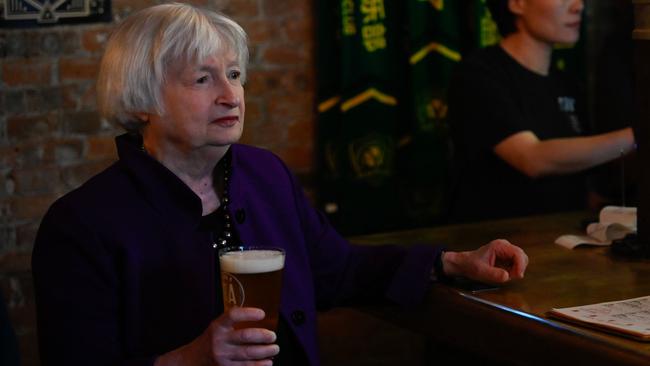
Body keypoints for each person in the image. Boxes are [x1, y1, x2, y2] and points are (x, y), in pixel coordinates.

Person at [31, 3, 529, 366]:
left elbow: (337, 269)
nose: (231, 95)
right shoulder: (82, 224)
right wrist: (191, 359)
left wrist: (451, 262)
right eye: (202, 80)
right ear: (141, 98)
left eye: (234, 74)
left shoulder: (264, 173)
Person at [447, 0, 636, 223]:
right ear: (517, 4)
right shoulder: (479, 74)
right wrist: (638, 135)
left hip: (561, 240)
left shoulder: (567, 82)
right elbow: (532, 159)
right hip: (498, 245)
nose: (578, 6)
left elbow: (586, 180)